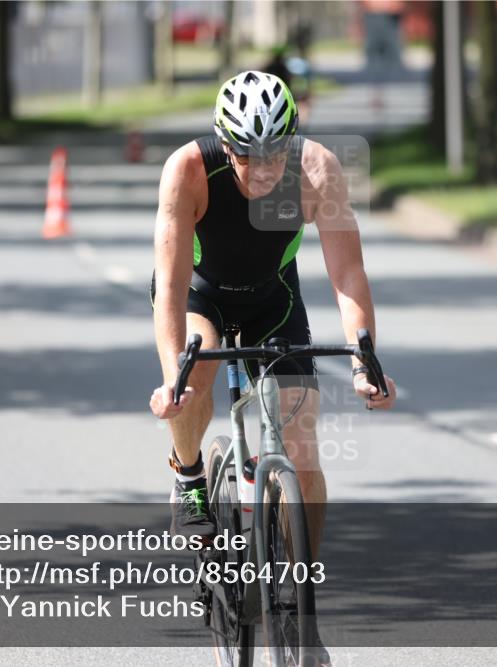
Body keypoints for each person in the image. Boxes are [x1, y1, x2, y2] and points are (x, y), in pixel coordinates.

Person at [148, 68, 397, 563]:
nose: (262, 169)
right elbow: (172, 287)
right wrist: (172, 378)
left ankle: (302, 593)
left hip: (272, 297)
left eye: (274, 153)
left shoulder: (317, 170)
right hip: (201, 294)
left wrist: (364, 363)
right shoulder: (188, 170)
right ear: (224, 143)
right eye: (246, 155)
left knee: (303, 442)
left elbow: (347, 273)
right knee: (196, 369)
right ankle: (189, 473)